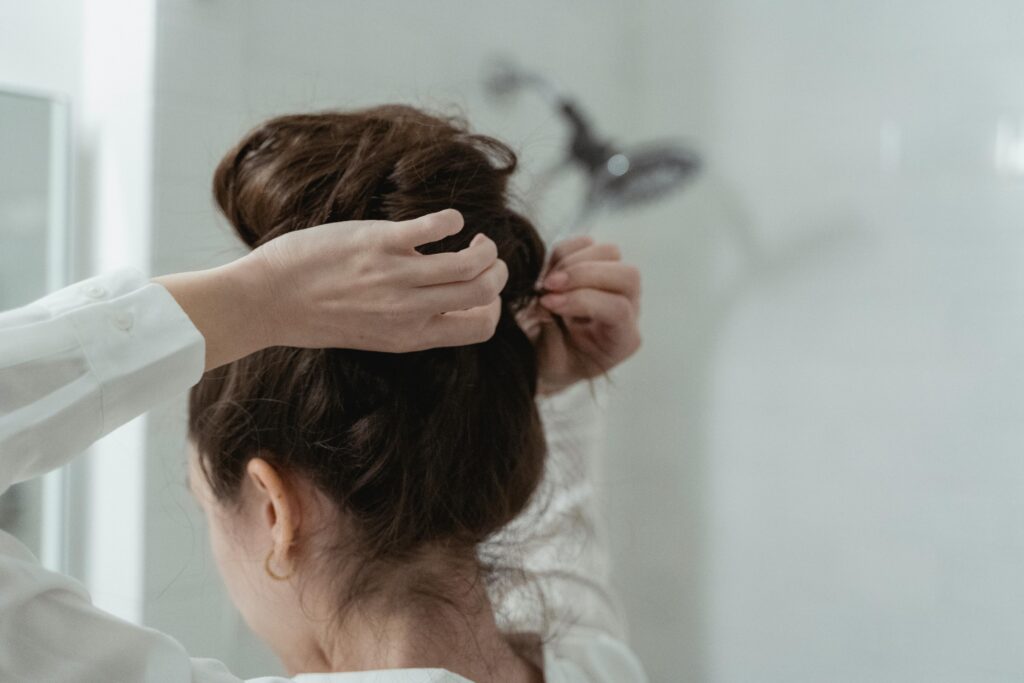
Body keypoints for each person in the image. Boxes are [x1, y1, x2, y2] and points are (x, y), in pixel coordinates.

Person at [0, 105, 645, 683]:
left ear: (277, 511)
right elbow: (565, 561)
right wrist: (528, 387)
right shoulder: (600, 666)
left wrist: (259, 298)